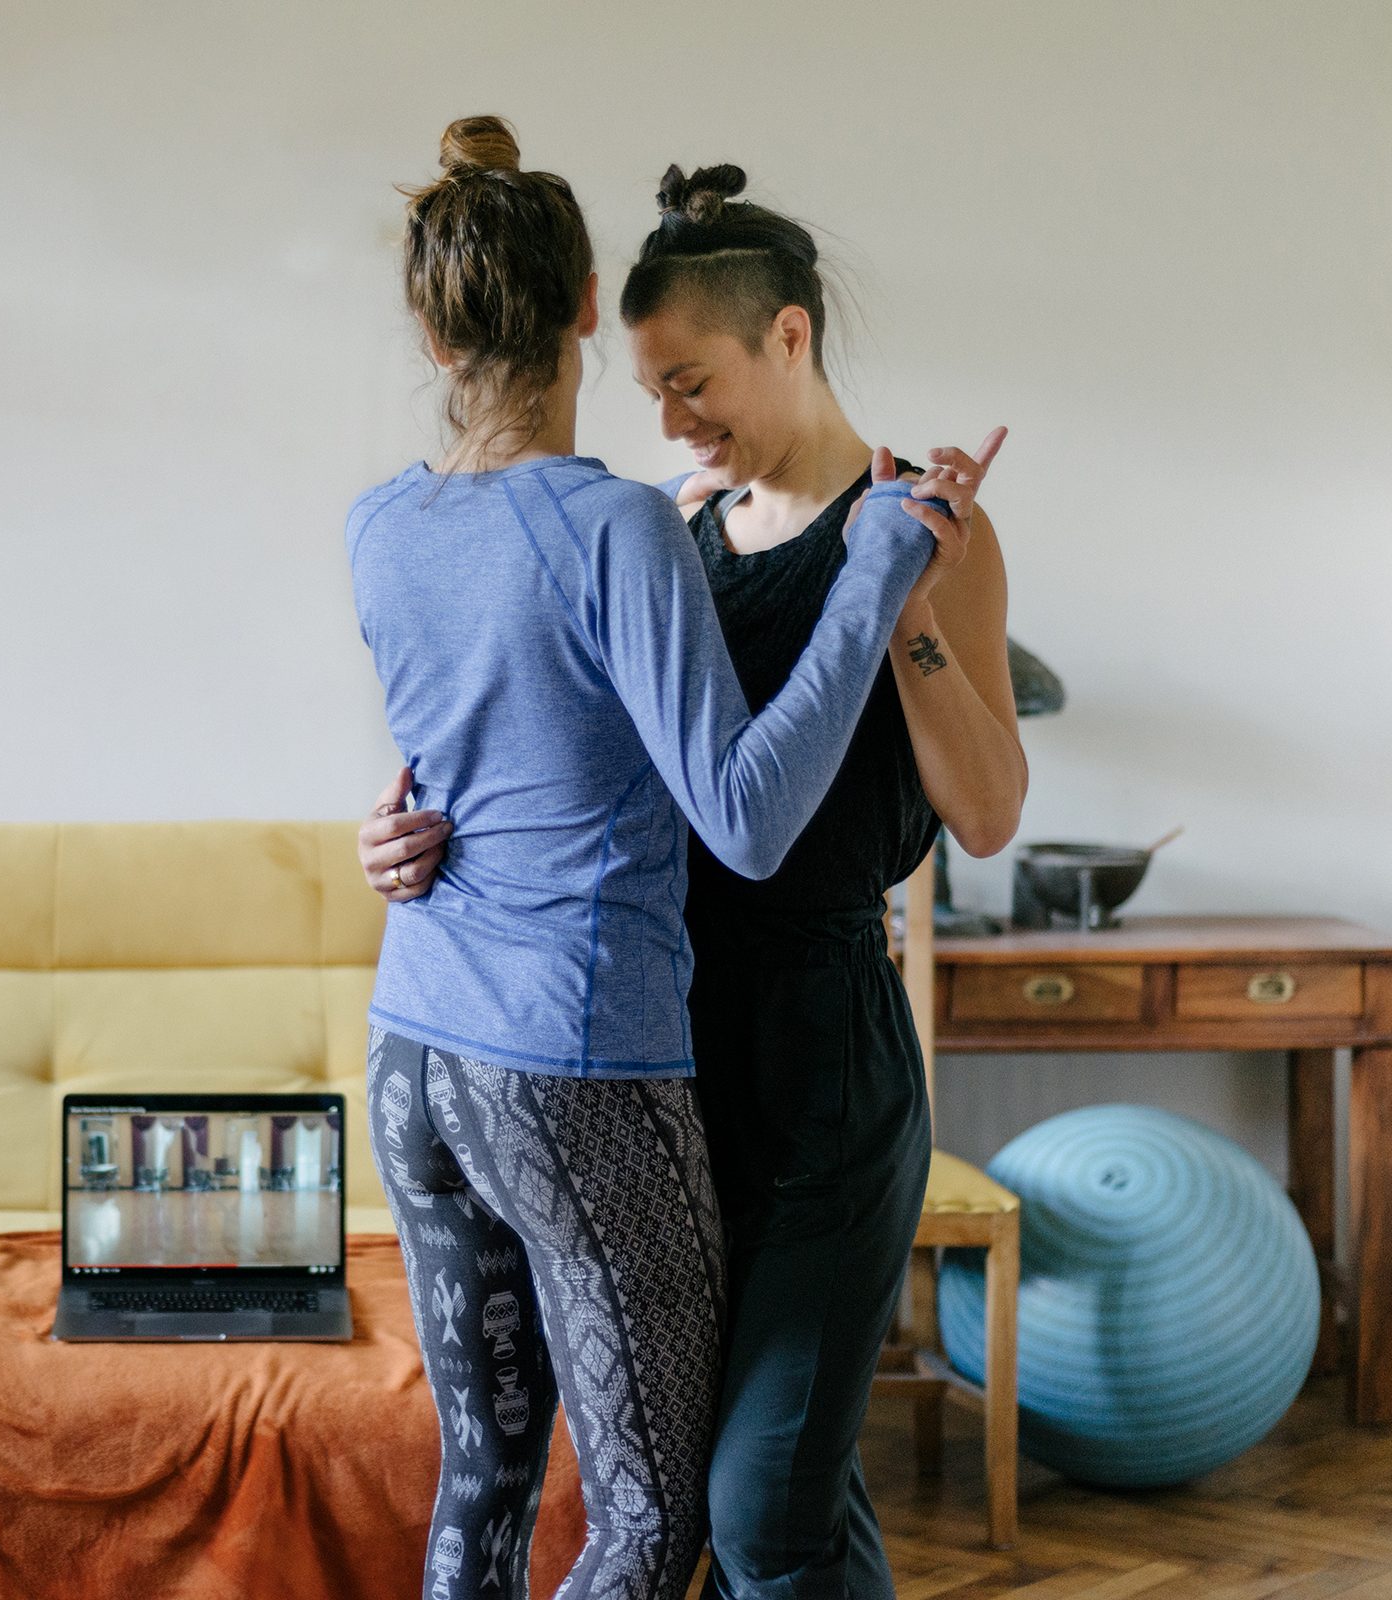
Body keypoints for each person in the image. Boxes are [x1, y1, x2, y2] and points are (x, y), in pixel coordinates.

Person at [361, 161, 1026, 1600]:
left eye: (694, 378)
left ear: (790, 337)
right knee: (772, 1490)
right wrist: (407, 832)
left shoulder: (922, 530)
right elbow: (539, 757)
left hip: (821, 1079)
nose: (668, 415)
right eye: (650, 383)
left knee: (758, 1503)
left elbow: (986, 816)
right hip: (655, 1067)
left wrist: (905, 612)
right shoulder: (670, 531)